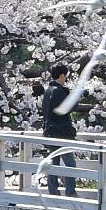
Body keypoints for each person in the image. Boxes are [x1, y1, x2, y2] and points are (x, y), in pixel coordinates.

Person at [41, 64, 80, 197]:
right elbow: (66, 108)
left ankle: (53, 192)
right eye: (66, 76)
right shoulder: (58, 91)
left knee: (53, 163)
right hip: (61, 133)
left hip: (50, 132)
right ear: (62, 75)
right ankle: (70, 192)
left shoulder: (48, 90)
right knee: (70, 164)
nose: (66, 79)